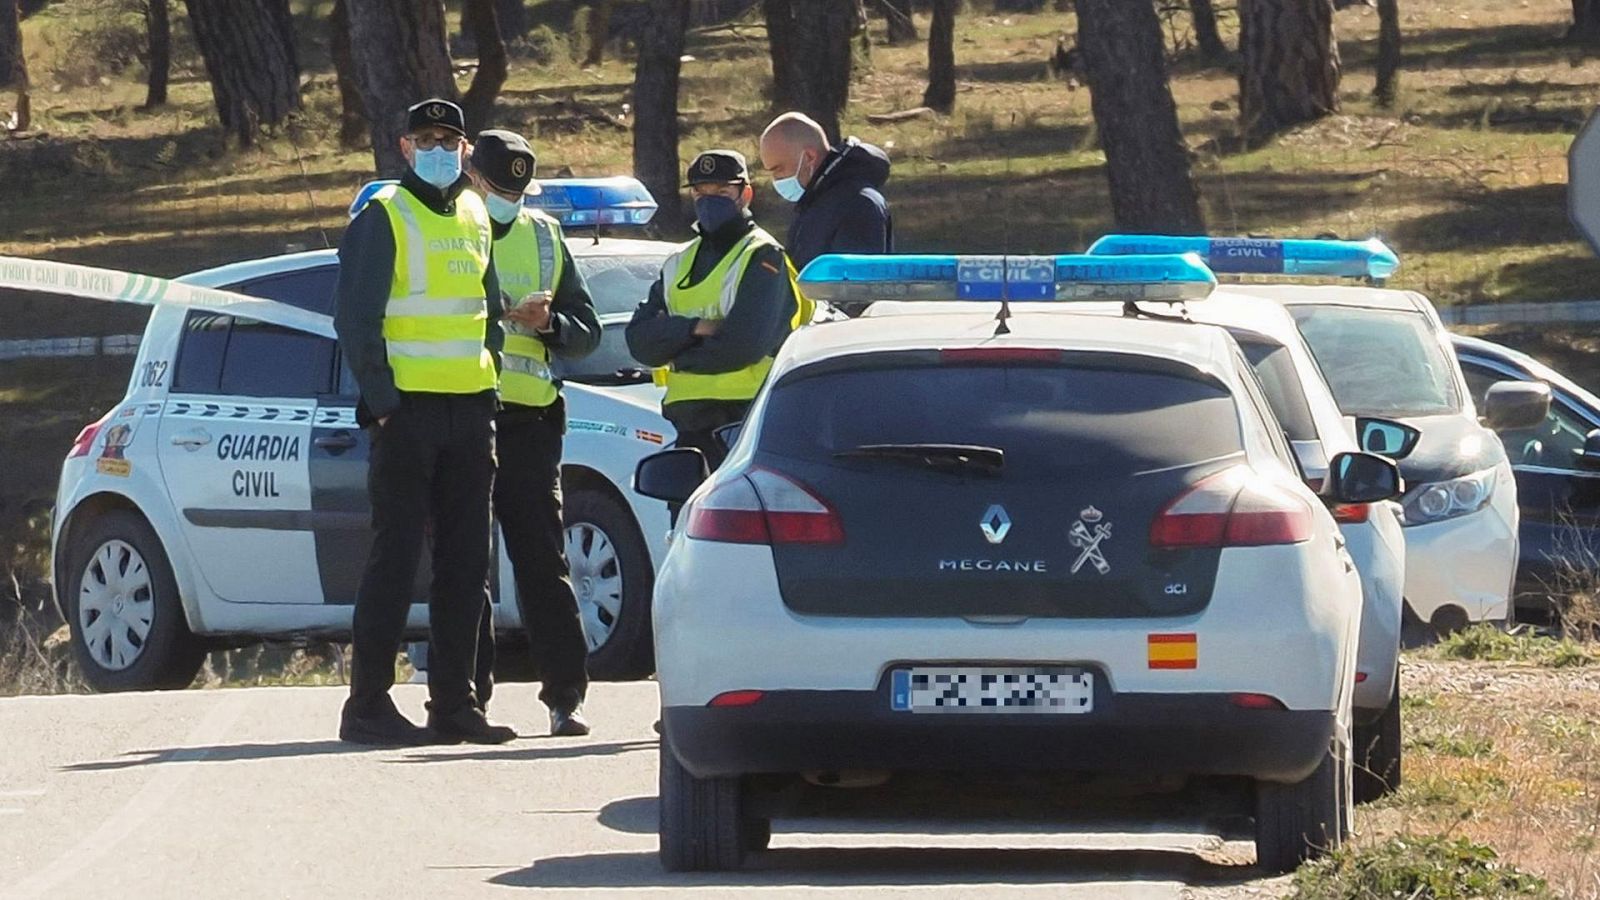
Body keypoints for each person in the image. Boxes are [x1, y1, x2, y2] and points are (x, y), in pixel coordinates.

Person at [333, 98, 516, 747]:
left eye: (450, 139)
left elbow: (487, 307)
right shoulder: (384, 215)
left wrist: (490, 374)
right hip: (407, 413)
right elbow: (356, 319)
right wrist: (383, 401)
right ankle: (369, 704)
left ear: (466, 149)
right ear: (405, 148)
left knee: (468, 564)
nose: (440, 148)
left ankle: (455, 703)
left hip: (469, 408)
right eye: (427, 138)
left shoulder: (475, 212)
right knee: (395, 558)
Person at [466, 130, 601, 737]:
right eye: (500, 190)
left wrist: (552, 325)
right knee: (466, 562)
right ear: (474, 178)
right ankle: (466, 697)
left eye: (518, 192)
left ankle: (565, 697)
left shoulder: (546, 234)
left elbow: (587, 329)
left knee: (542, 560)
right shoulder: (450, 228)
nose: (509, 202)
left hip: (531, 419)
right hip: (465, 412)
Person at [625, 149, 808, 470]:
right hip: (687, 429)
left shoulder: (763, 256)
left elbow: (742, 346)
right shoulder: (678, 261)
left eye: (722, 192)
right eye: (700, 192)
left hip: (743, 424)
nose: (709, 201)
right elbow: (639, 342)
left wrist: (675, 356)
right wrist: (695, 327)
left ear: (745, 194)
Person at [758, 111, 893, 270]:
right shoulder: (814, 201)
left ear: (809, 157)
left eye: (778, 169)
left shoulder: (858, 204)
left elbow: (855, 286)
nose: (776, 179)